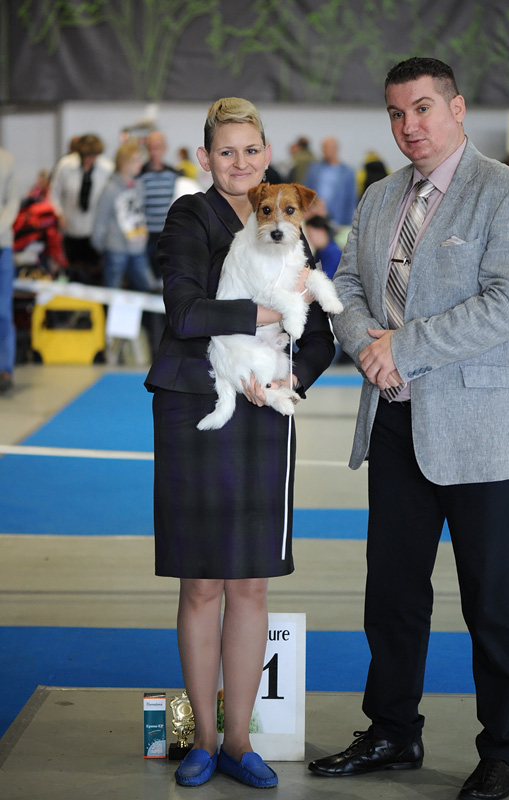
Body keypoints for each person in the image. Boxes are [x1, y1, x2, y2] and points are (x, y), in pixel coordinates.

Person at [308, 57, 509, 800]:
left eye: (421, 109)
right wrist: (364, 345)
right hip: (393, 424)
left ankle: (503, 748)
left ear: (456, 108)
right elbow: (344, 286)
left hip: (480, 430)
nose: (408, 126)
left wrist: (400, 347)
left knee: (492, 600)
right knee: (393, 595)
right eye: (394, 113)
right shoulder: (379, 197)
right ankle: (391, 729)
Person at [144, 97, 334, 789]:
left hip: (265, 409)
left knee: (249, 583)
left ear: (265, 155)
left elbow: (316, 333)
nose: (240, 161)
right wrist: (269, 312)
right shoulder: (188, 216)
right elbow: (187, 311)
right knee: (202, 584)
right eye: (226, 151)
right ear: (205, 158)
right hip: (198, 399)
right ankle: (198, 735)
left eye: (250, 150)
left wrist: (289, 375)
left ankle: (238, 741)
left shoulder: (288, 219)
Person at [49, 133, 113, 284]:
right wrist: (59, 214)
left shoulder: (107, 168)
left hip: (94, 230)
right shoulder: (65, 165)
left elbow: (109, 200)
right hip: (70, 227)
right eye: (85, 156)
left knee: (93, 272)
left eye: (93, 156)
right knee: (72, 270)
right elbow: (54, 192)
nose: (88, 160)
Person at [91, 140, 155, 292]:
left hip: (138, 248)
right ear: (124, 163)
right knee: (113, 291)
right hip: (115, 249)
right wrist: (102, 246)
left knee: (148, 288)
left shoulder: (139, 186)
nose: (140, 164)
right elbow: (100, 221)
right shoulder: (110, 189)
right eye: (135, 160)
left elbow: (141, 214)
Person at [139, 131, 179, 280]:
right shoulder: (140, 174)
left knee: (166, 275)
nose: (154, 151)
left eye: (157, 147)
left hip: (166, 234)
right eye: (150, 147)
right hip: (145, 235)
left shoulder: (173, 174)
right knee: (147, 276)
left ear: (165, 148)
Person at [304, 137, 357, 226]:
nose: (325, 151)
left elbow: (351, 199)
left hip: (337, 218)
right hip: (315, 217)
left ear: (336, 149)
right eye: (323, 148)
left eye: (328, 148)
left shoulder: (347, 172)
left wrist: (348, 223)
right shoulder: (314, 169)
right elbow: (306, 192)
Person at [0, 147, 19, 394]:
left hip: (2, 245)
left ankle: (5, 369)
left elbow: (12, 202)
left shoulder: (6, 160)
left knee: (3, 312)